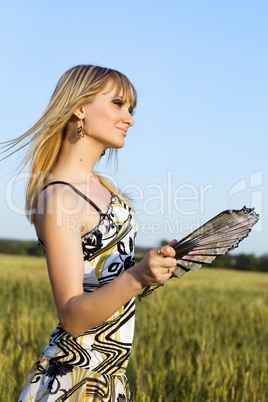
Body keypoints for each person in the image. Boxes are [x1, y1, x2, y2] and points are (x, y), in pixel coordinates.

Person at [6, 64, 177, 401]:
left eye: (131, 109)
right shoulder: (59, 197)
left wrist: (154, 269)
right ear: (80, 107)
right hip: (74, 381)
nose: (129, 119)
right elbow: (71, 316)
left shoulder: (103, 187)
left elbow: (105, 285)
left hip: (108, 378)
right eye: (118, 104)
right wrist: (137, 277)